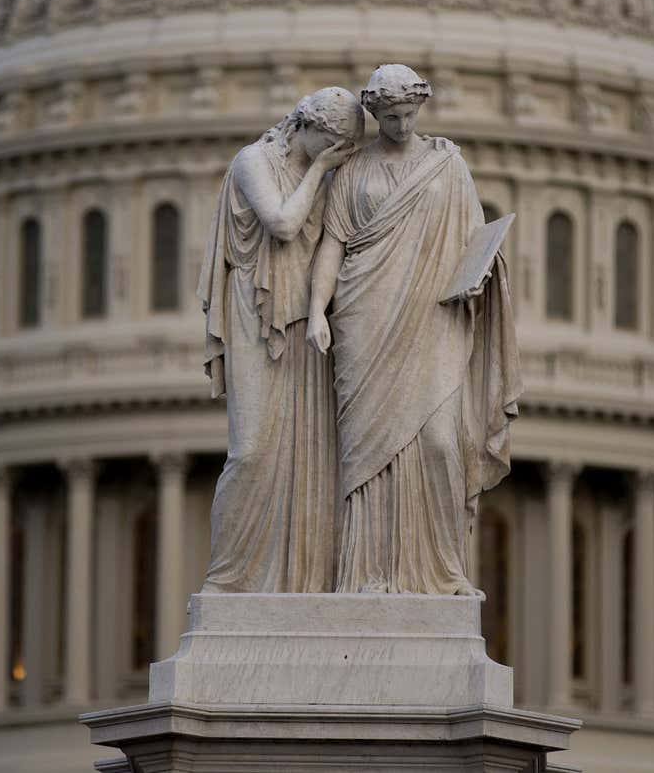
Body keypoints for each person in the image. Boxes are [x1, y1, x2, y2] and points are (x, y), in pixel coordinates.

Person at [307, 64, 522, 596]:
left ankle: (443, 572)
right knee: (366, 454)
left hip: (434, 318)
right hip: (365, 317)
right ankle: (368, 573)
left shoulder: (447, 166)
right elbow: (333, 243)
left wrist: (478, 278)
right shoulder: (353, 171)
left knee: (440, 443)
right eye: (391, 117)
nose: (402, 126)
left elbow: (476, 242)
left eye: (408, 115)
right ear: (374, 114)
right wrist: (316, 311)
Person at [197, 87, 363, 593]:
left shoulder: (331, 176)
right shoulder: (254, 160)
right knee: (250, 452)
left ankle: (301, 580)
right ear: (306, 125)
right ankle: (229, 579)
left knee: (307, 458)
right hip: (255, 312)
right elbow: (284, 224)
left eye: (344, 148)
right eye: (332, 142)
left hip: (307, 322)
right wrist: (320, 169)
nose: (336, 154)